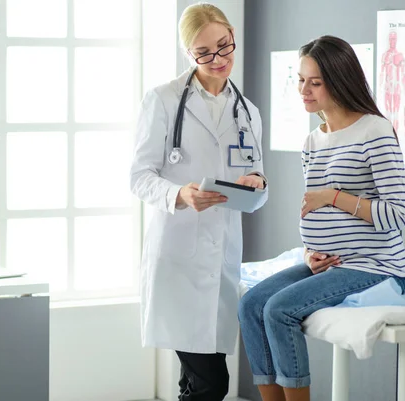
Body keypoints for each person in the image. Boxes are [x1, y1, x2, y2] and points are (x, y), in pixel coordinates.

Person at [238, 35, 405, 401]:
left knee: (280, 309)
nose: (304, 89)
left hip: (374, 264)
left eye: (314, 82)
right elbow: (315, 215)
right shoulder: (313, 141)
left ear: (341, 80)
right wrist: (308, 255)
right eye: (300, 79)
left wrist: (334, 197)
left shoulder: (375, 131)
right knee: (251, 303)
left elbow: (399, 214)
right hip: (327, 263)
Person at [130, 3, 268, 400]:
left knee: (195, 382)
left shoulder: (248, 112)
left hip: (221, 256)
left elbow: (258, 180)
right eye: (204, 53)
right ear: (187, 53)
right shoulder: (161, 100)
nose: (218, 59)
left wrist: (255, 182)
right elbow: (139, 178)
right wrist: (180, 194)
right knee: (212, 383)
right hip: (177, 257)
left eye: (225, 46)